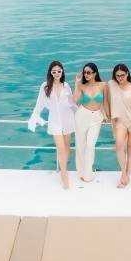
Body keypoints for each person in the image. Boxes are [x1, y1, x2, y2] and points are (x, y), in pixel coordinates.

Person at [28, 59, 76, 189]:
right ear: (50, 72)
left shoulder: (66, 85)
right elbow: (39, 103)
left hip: (67, 119)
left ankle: (64, 168)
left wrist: (80, 114)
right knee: (61, 148)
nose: (56, 73)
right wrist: (35, 116)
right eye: (54, 71)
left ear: (62, 72)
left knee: (67, 148)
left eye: (59, 71)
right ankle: (64, 174)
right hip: (55, 121)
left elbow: (72, 103)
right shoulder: (45, 86)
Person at [72, 62, 106, 184]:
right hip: (82, 116)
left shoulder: (103, 85)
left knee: (90, 145)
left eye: (89, 72)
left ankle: (88, 173)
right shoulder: (82, 86)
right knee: (80, 145)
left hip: (96, 117)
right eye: (84, 72)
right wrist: (77, 84)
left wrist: (106, 114)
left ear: (95, 73)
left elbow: (105, 102)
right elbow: (75, 100)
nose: (86, 75)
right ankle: (81, 172)